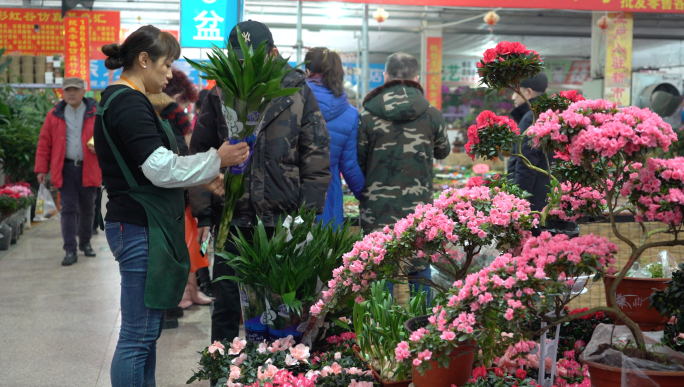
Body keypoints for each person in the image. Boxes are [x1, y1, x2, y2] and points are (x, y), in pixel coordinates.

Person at [95, 25, 249, 387]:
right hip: (139, 226)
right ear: (143, 60)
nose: (169, 74)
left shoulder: (129, 100)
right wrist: (217, 159)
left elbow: (155, 165)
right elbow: (159, 167)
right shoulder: (129, 103)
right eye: (166, 66)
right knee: (137, 336)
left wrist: (201, 175)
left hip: (142, 224)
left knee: (146, 335)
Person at [189, 20, 331, 346]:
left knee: (282, 305)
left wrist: (305, 217)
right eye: (238, 60)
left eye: (252, 59)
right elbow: (199, 155)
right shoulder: (219, 94)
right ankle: (222, 374)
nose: (245, 66)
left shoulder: (297, 92)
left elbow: (316, 158)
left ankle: (277, 374)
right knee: (226, 304)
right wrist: (205, 214)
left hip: (283, 220)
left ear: (273, 54)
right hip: (232, 221)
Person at [357, 52, 450, 297]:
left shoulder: (367, 115)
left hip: (376, 210)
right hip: (417, 212)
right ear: (416, 78)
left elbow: (359, 158)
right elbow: (443, 151)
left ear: (385, 77)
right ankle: (423, 331)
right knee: (419, 269)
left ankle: (380, 331)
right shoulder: (432, 114)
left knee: (379, 270)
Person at [146, 68, 212, 328]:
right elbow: (181, 157)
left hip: (171, 196)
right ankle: (174, 301)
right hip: (168, 196)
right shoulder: (167, 113)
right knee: (176, 247)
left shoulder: (154, 110)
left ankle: (184, 295)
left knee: (185, 245)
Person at [35, 77, 102, 266]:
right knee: (69, 209)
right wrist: (41, 168)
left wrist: (100, 147)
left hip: (89, 168)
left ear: (83, 92)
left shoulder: (96, 113)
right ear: (62, 93)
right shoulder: (54, 114)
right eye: (67, 90)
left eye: (75, 89)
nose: (71, 93)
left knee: (88, 209)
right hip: (64, 169)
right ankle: (70, 249)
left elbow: (107, 137)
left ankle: (86, 243)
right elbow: (44, 143)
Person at [507, 73, 578, 237]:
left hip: (536, 203)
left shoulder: (530, 117)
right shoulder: (555, 113)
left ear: (528, 92)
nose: (512, 97)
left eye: (516, 91)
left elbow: (525, 166)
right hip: (554, 197)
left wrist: (521, 206)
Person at [305, 47, 364, 226]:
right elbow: (350, 166)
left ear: (307, 71)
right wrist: (367, 197)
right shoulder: (350, 114)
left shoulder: (291, 101)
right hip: (328, 198)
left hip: (290, 193)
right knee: (326, 250)